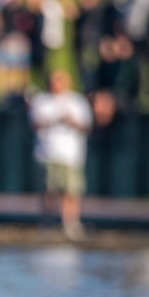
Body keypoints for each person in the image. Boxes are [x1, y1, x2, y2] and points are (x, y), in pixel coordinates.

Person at [30, 69, 93, 240]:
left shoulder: (77, 101)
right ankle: (47, 222)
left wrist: (70, 121)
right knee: (48, 190)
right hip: (47, 153)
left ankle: (70, 223)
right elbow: (34, 124)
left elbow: (87, 126)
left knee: (71, 191)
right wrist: (51, 120)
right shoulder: (42, 101)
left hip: (70, 154)